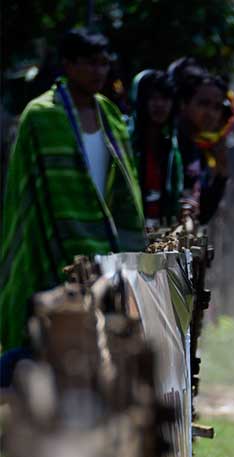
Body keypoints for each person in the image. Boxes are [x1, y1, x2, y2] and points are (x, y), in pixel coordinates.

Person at [1, 29, 144, 378]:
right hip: (51, 245)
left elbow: (126, 189)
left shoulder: (111, 116)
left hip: (106, 253)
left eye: (104, 63)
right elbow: (25, 193)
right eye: (90, 63)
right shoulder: (40, 115)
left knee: (104, 351)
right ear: (68, 65)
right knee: (42, 346)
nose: (99, 71)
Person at [169, 59, 231, 225]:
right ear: (184, 103)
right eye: (203, 104)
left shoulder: (198, 149)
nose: (210, 113)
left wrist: (221, 172)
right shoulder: (169, 143)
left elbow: (203, 215)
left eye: (217, 107)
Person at [129, 70, 186, 229]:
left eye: (165, 98)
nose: (160, 104)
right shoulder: (126, 140)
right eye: (153, 98)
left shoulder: (171, 146)